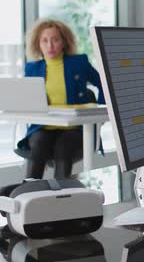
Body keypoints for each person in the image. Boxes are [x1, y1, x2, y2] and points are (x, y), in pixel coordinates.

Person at [17, 19, 105, 179]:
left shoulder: (79, 63)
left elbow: (104, 83)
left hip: (75, 128)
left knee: (63, 148)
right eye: (45, 40)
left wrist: (100, 110)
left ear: (64, 42)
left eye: (55, 39)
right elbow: (25, 99)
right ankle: (27, 194)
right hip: (43, 127)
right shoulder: (32, 68)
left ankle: (62, 195)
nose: (50, 45)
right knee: (37, 146)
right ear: (38, 44)